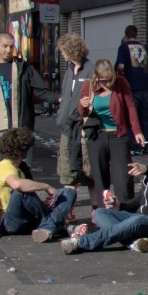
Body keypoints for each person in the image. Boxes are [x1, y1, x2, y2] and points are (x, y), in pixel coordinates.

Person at [61, 135, 148, 254]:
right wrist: (119, 206)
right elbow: (138, 201)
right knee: (100, 212)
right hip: (141, 219)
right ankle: (134, 242)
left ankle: (82, 242)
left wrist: (147, 170)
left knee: (137, 220)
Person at [0, 32, 60, 170]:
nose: (8, 50)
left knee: (22, 167)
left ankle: (21, 191)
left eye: (11, 46)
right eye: (5, 46)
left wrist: (58, 98)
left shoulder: (24, 67)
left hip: (20, 127)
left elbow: (39, 90)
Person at [79, 59, 145, 207]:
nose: (107, 84)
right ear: (96, 77)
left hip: (118, 136)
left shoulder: (121, 83)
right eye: (103, 81)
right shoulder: (88, 86)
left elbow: (130, 107)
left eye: (110, 80)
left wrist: (137, 131)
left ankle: (126, 211)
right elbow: (82, 113)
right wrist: (83, 106)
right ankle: (104, 213)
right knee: (101, 179)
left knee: (123, 178)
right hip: (97, 136)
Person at [0, 127, 77, 242]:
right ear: (24, 150)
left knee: (69, 192)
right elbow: (17, 184)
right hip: (11, 221)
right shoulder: (4, 166)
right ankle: (52, 224)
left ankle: (47, 227)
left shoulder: (20, 167)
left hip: (28, 219)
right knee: (21, 192)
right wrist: (46, 186)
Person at [55, 34, 96, 212]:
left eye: (63, 51)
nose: (62, 55)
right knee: (67, 173)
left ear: (71, 50)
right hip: (67, 129)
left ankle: (97, 209)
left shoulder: (90, 70)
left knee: (90, 172)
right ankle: (67, 211)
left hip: (83, 129)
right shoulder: (69, 70)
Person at [115, 25, 148, 155]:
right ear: (137, 34)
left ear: (126, 35)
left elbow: (120, 66)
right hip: (146, 87)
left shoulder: (124, 47)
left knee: (132, 118)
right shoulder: (145, 48)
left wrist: (120, 73)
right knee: (146, 119)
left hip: (131, 87)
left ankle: (135, 147)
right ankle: (147, 146)